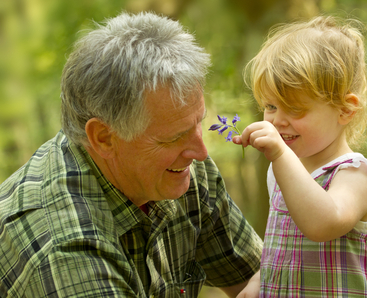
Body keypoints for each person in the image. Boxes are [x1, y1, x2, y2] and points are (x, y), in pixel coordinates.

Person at [0, 11, 263, 298]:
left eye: (197, 123)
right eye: (173, 138)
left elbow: (270, 279)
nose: (200, 153)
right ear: (104, 138)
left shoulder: (181, 169)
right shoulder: (65, 247)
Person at [233, 16, 367, 297]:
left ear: (345, 110)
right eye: (271, 106)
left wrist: (279, 155)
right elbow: (284, 247)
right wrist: (257, 281)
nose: (277, 120)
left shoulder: (357, 175)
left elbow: (323, 224)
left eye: (295, 109)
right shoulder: (281, 172)